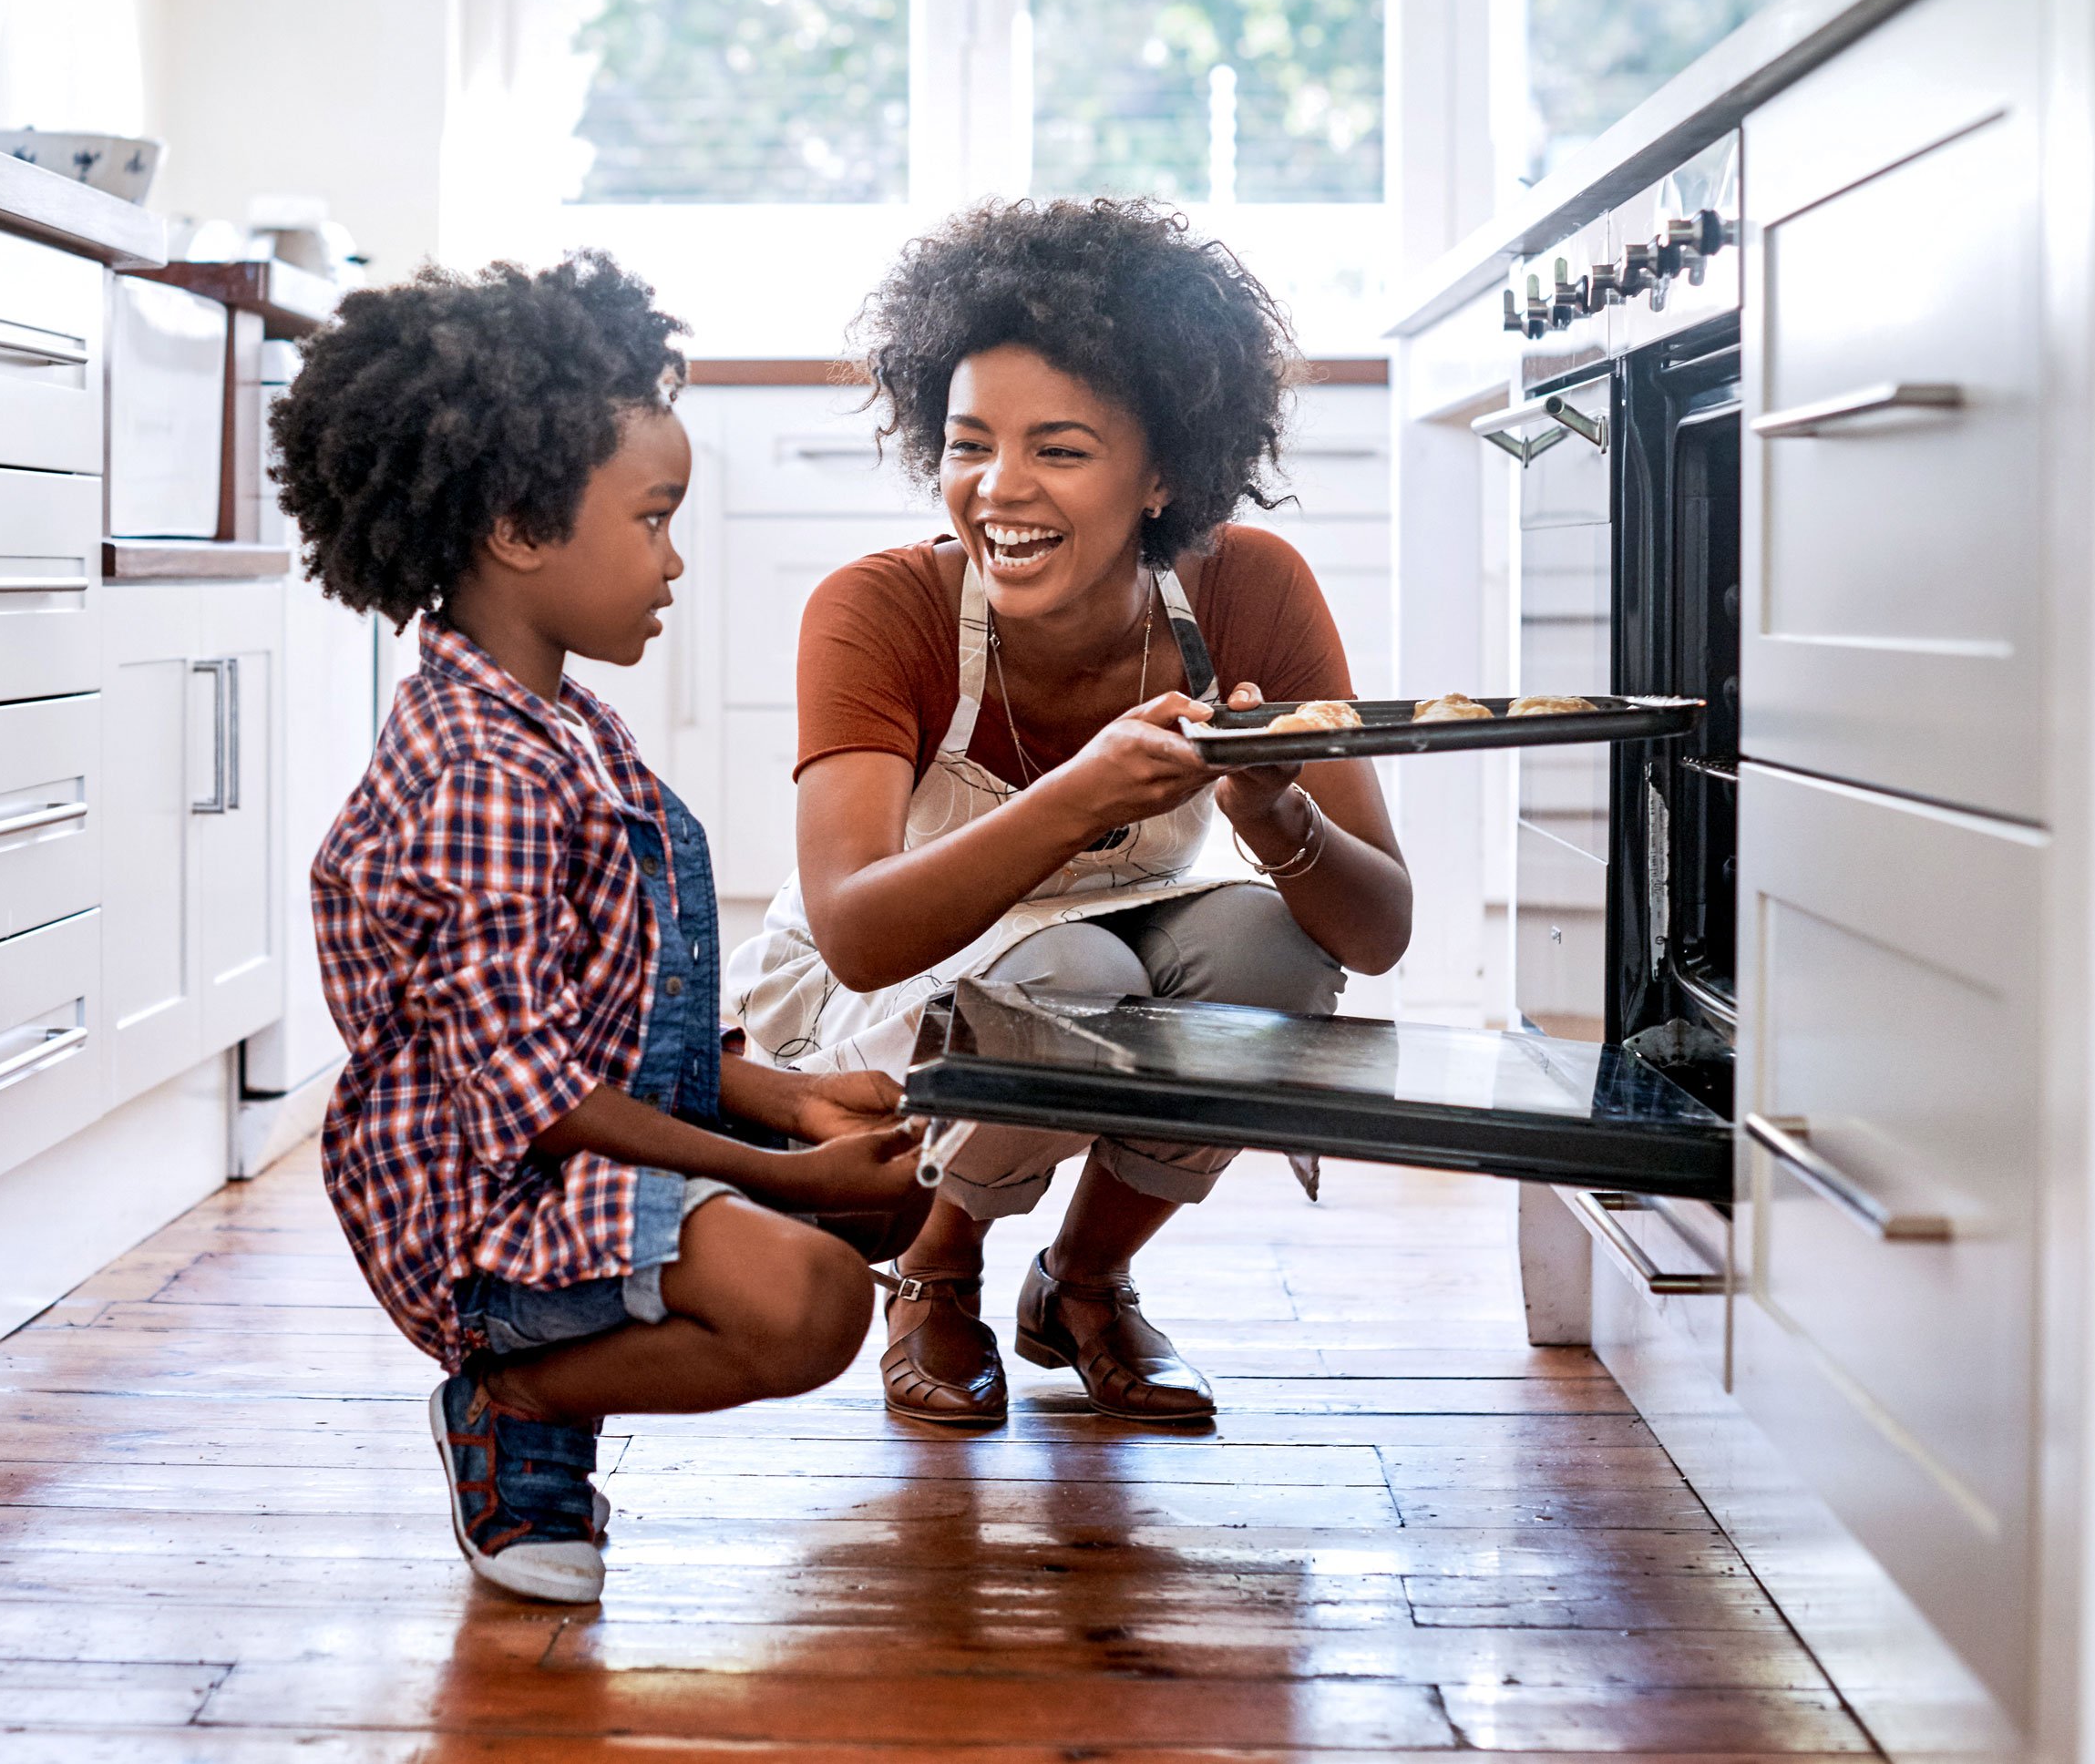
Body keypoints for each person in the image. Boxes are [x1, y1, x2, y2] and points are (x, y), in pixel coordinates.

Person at [276, 251, 929, 1607]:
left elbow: (617, 1010)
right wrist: (789, 1179)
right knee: (814, 1303)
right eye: (653, 518)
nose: (675, 557)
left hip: (576, 1138)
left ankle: (570, 1371)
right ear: (519, 524)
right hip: (485, 1204)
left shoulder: (562, 723)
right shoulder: (482, 774)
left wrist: (794, 1105)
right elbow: (534, 1091)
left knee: (901, 1188)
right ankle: (513, 1413)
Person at [726, 200, 1414, 1429]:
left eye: (1059, 448)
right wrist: (1077, 793)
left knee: (1271, 947)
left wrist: (1271, 812)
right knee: (1067, 966)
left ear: (1162, 474)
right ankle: (934, 1272)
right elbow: (857, 931)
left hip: (1137, 919)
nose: (998, 490)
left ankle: (1084, 1285)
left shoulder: (1249, 587)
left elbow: (1376, 931)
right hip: (903, 970)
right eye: (968, 443)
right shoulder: (878, 611)